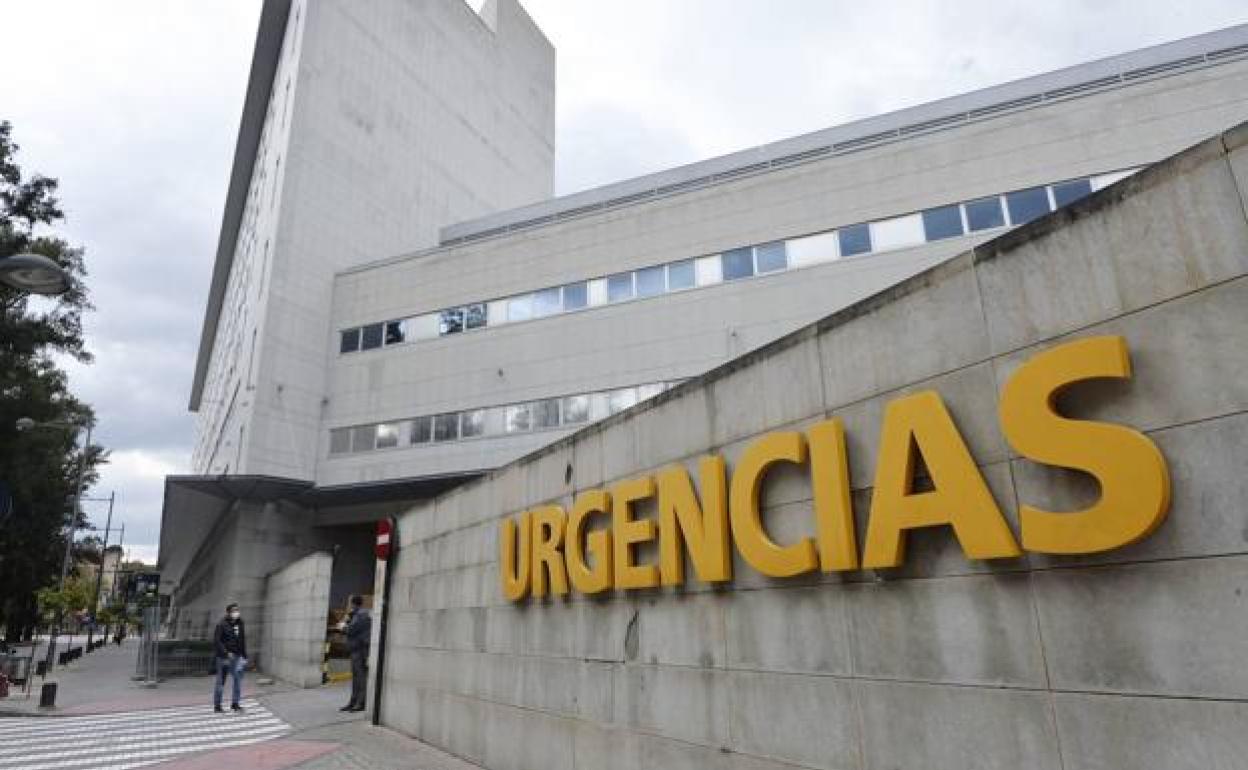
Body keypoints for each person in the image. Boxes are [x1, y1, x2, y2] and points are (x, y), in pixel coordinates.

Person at [212, 602, 247, 713]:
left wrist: (244, 655)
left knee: (237, 680)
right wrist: (226, 653)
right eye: (234, 610)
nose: (236, 612)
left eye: (237, 610)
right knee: (221, 682)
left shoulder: (240, 623)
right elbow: (217, 641)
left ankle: (235, 704)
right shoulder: (221, 624)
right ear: (228, 612)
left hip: (237, 657)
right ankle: (217, 706)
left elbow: (242, 640)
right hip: (224, 658)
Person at [340, 595, 371, 712]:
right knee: (356, 678)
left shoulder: (361, 615)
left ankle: (360, 703)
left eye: (350, 603)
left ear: (353, 603)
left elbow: (351, 630)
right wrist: (348, 618)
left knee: (360, 678)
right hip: (355, 650)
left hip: (360, 650)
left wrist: (343, 627)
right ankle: (353, 702)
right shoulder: (356, 614)